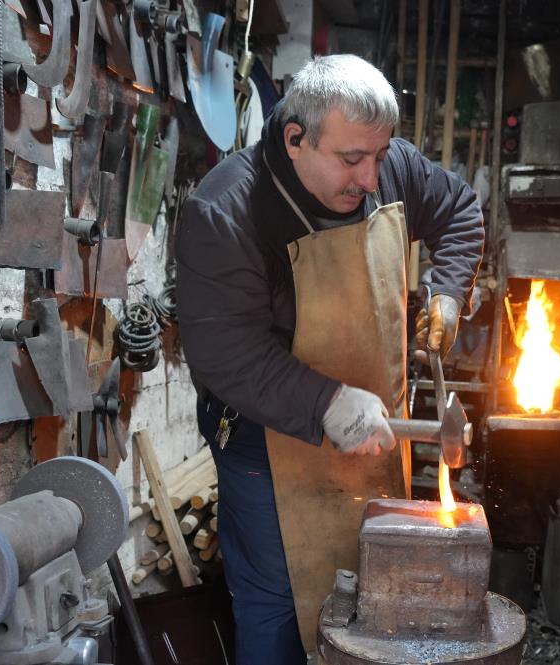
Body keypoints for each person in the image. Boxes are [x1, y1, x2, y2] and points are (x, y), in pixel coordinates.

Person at [175, 54, 484, 664]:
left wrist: (447, 294)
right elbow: (225, 354)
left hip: (375, 435)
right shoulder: (226, 212)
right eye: (350, 160)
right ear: (296, 139)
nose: (371, 178)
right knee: (281, 609)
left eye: (380, 154)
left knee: (372, 594)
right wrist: (327, 403)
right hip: (268, 444)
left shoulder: (388, 167)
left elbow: (459, 212)